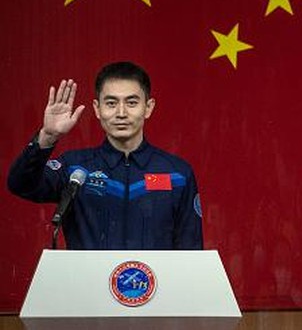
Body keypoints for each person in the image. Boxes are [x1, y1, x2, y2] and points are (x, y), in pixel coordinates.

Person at [7, 62, 203, 249]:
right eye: (111, 103)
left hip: (156, 284)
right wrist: (47, 137)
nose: (121, 113)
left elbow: (191, 252)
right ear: (97, 108)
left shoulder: (177, 174)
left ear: (148, 107)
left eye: (132, 102)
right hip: (86, 284)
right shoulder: (75, 169)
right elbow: (20, 185)